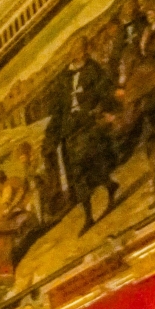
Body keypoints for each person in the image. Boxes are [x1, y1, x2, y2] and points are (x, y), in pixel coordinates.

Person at [41, 34, 121, 231]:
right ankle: (88, 215)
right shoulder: (64, 77)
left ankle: (108, 186)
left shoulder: (94, 70)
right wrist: (52, 134)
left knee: (89, 165)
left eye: (81, 48)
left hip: (88, 124)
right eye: (75, 49)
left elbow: (105, 91)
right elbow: (58, 107)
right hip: (70, 130)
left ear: (86, 50)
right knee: (77, 175)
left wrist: (100, 109)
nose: (78, 52)